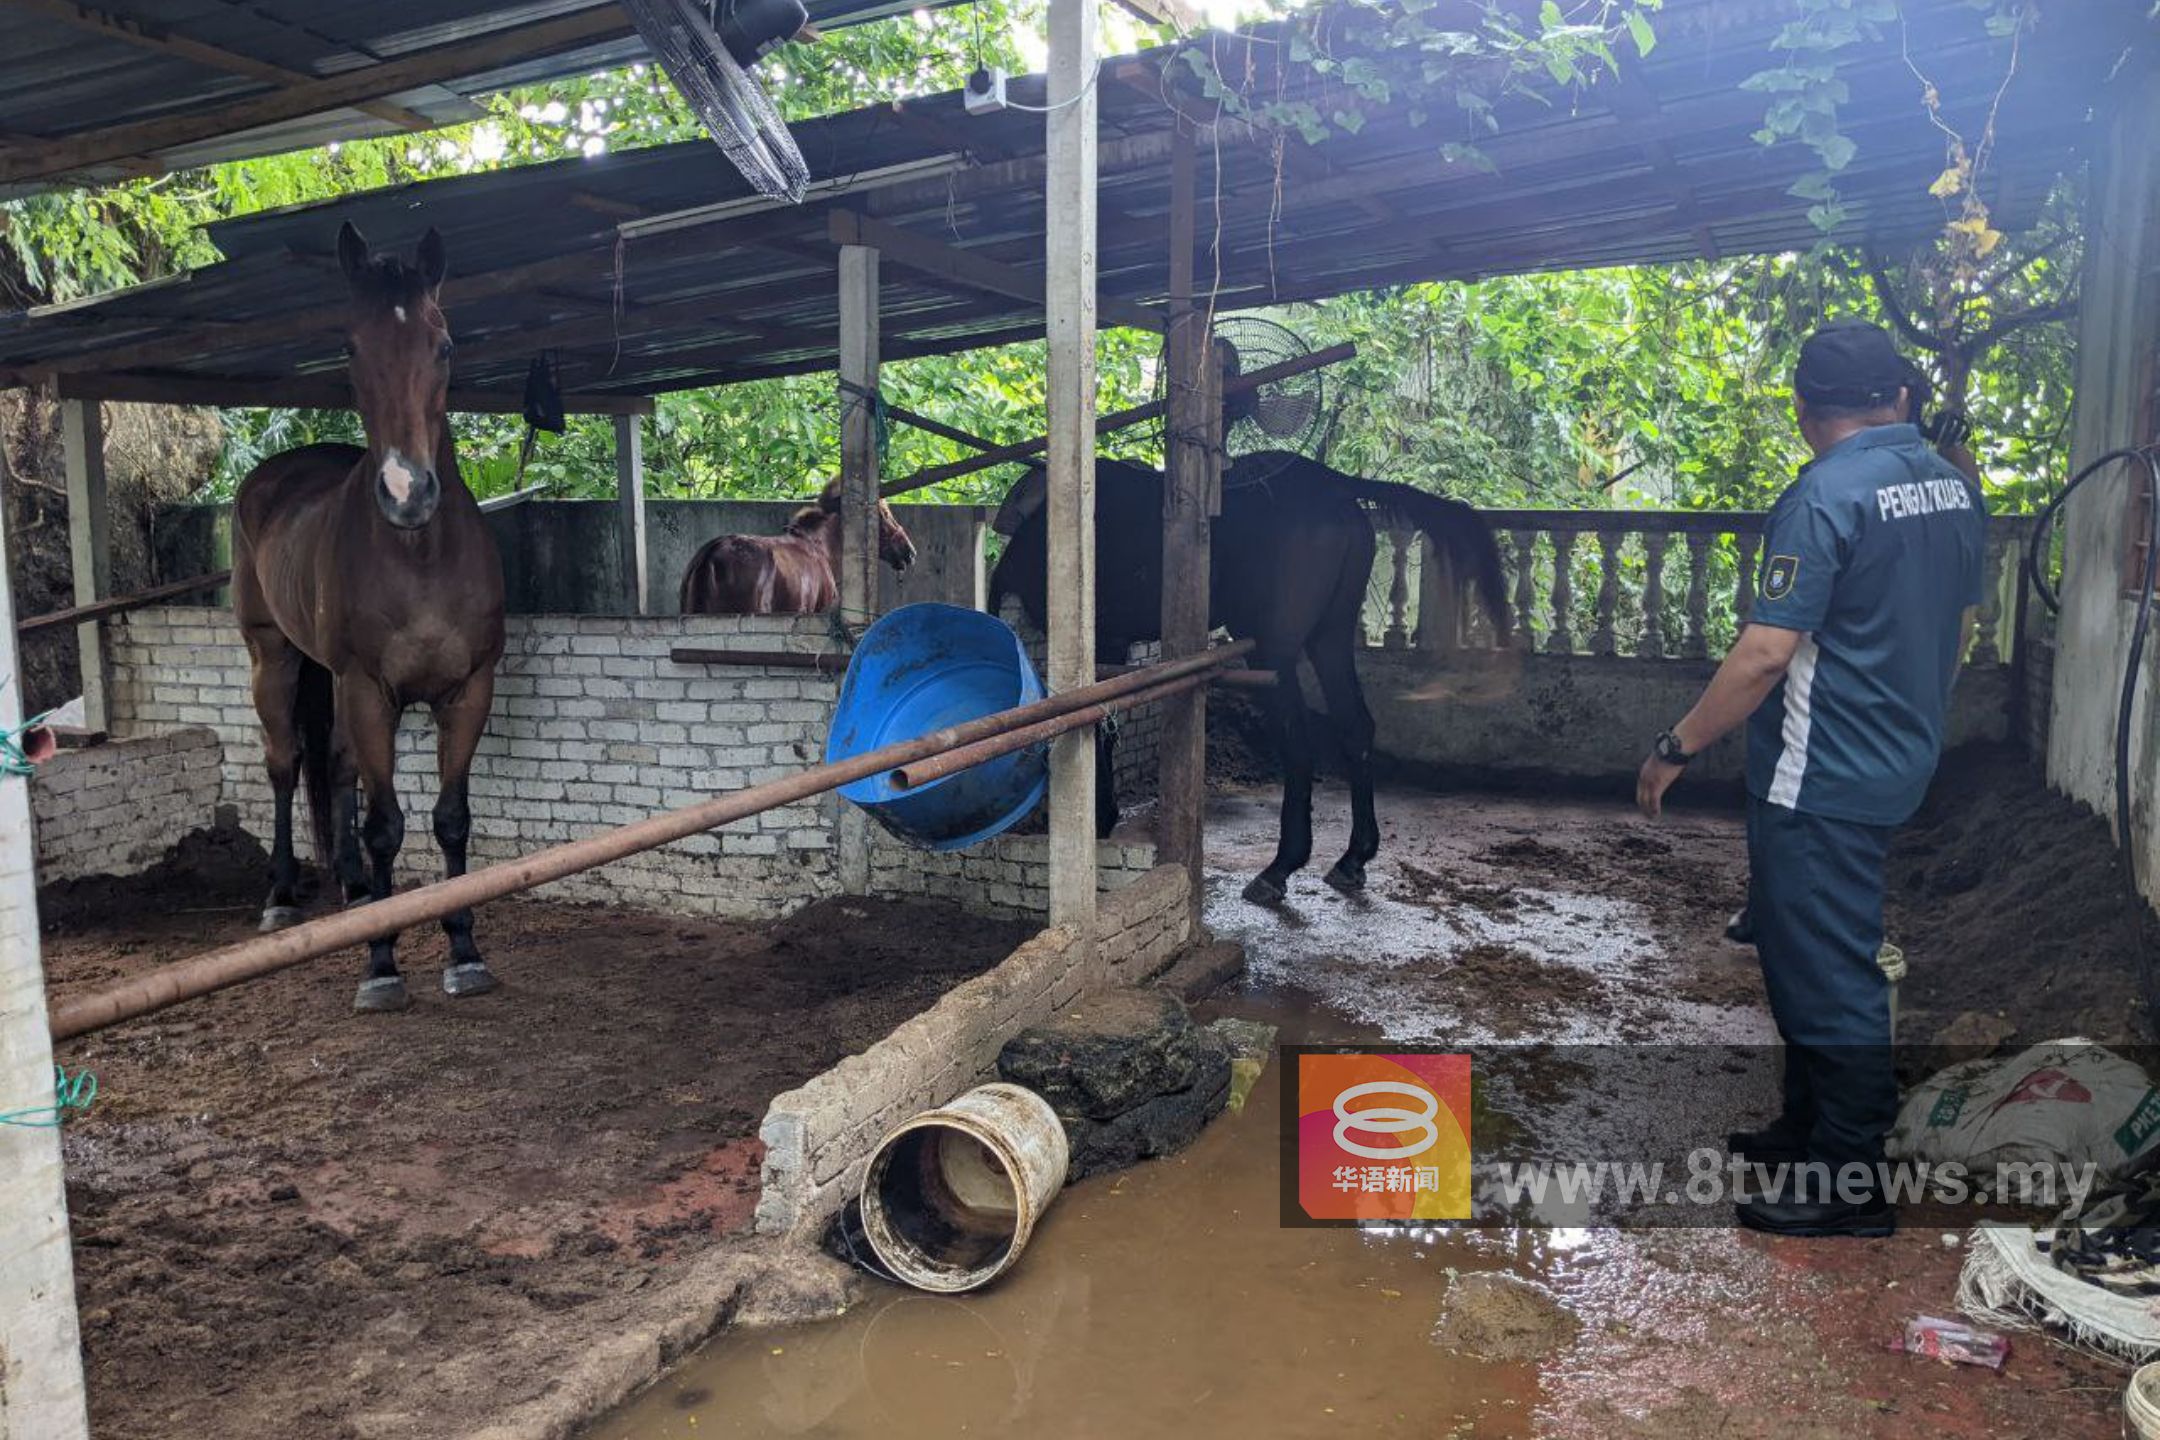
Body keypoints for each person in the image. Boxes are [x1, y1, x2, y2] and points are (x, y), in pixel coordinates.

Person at [1636, 319, 1986, 1237]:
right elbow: (1954, 629)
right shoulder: (1951, 487)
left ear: (1803, 412)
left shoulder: (1824, 495)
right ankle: (1808, 1126)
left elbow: (1763, 655)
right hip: (1894, 754)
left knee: (1829, 972)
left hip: (1817, 772)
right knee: (1802, 949)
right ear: (1899, 399)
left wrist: (1676, 746)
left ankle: (1851, 1179)